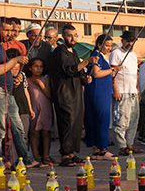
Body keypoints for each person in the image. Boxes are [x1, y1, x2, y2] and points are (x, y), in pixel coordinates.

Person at [0, 17, 34, 168]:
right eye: (6, 30)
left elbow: (4, 69)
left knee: (18, 129)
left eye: (12, 30)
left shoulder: (0, 47)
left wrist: (12, 78)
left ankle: (27, 160)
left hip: (8, 93)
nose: (10, 33)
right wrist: (16, 59)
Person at [48, 23, 89, 166]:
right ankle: (64, 155)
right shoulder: (60, 51)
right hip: (64, 92)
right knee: (67, 121)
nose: (73, 38)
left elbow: (79, 71)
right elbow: (70, 70)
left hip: (76, 91)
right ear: (63, 37)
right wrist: (87, 61)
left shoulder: (74, 52)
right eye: (69, 35)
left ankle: (71, 153)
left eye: (75, 35)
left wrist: (85, 78)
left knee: (76, 122)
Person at [83, 34, 120, 160]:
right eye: (107, 46)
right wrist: (112, 70)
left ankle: (97, 149)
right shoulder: (97, 56)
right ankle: (103, 149)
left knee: (96, 121)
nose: (109, 48)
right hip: (98, 94)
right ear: (99, 45)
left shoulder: (102, 57)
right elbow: (96, 73)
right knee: (102, 120)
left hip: (100, 93)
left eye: (110, 46)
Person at [109, 31, 140, 156]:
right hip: (121, 91)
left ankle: (129, 144)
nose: (130, 43)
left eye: (132, 41)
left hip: (133, 91)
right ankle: (122, 146)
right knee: (120, 120)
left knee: (133, 120)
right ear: (122, 40)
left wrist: (137, 90)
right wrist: (115, 89)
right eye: (127, 41)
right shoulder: (115, 53)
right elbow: (112, 73)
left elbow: (135, 74)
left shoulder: (133, 55)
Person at [26, 57, 53, 165]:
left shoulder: (45, 79)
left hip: (45, 109)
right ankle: (35, 156)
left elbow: (48, 94)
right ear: (30, 68)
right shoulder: (27, 81)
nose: (38, 69)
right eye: (36, 66)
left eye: (40, 66)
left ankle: (46, 155)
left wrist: (40, 84)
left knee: (46, 132)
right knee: (34, 133)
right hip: (34, 109)